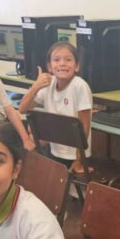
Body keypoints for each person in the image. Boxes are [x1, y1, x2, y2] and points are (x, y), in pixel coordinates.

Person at [18, 42, 92, 174]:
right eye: (56, 60)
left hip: (77, 155)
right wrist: (35, 87)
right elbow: (23, 109)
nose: (62, 63)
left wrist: (79, 160)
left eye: (68, 60)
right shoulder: (48, 84)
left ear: (77, 66)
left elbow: (84, 127)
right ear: (49, 67)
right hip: (55, 151)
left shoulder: (80, 86)